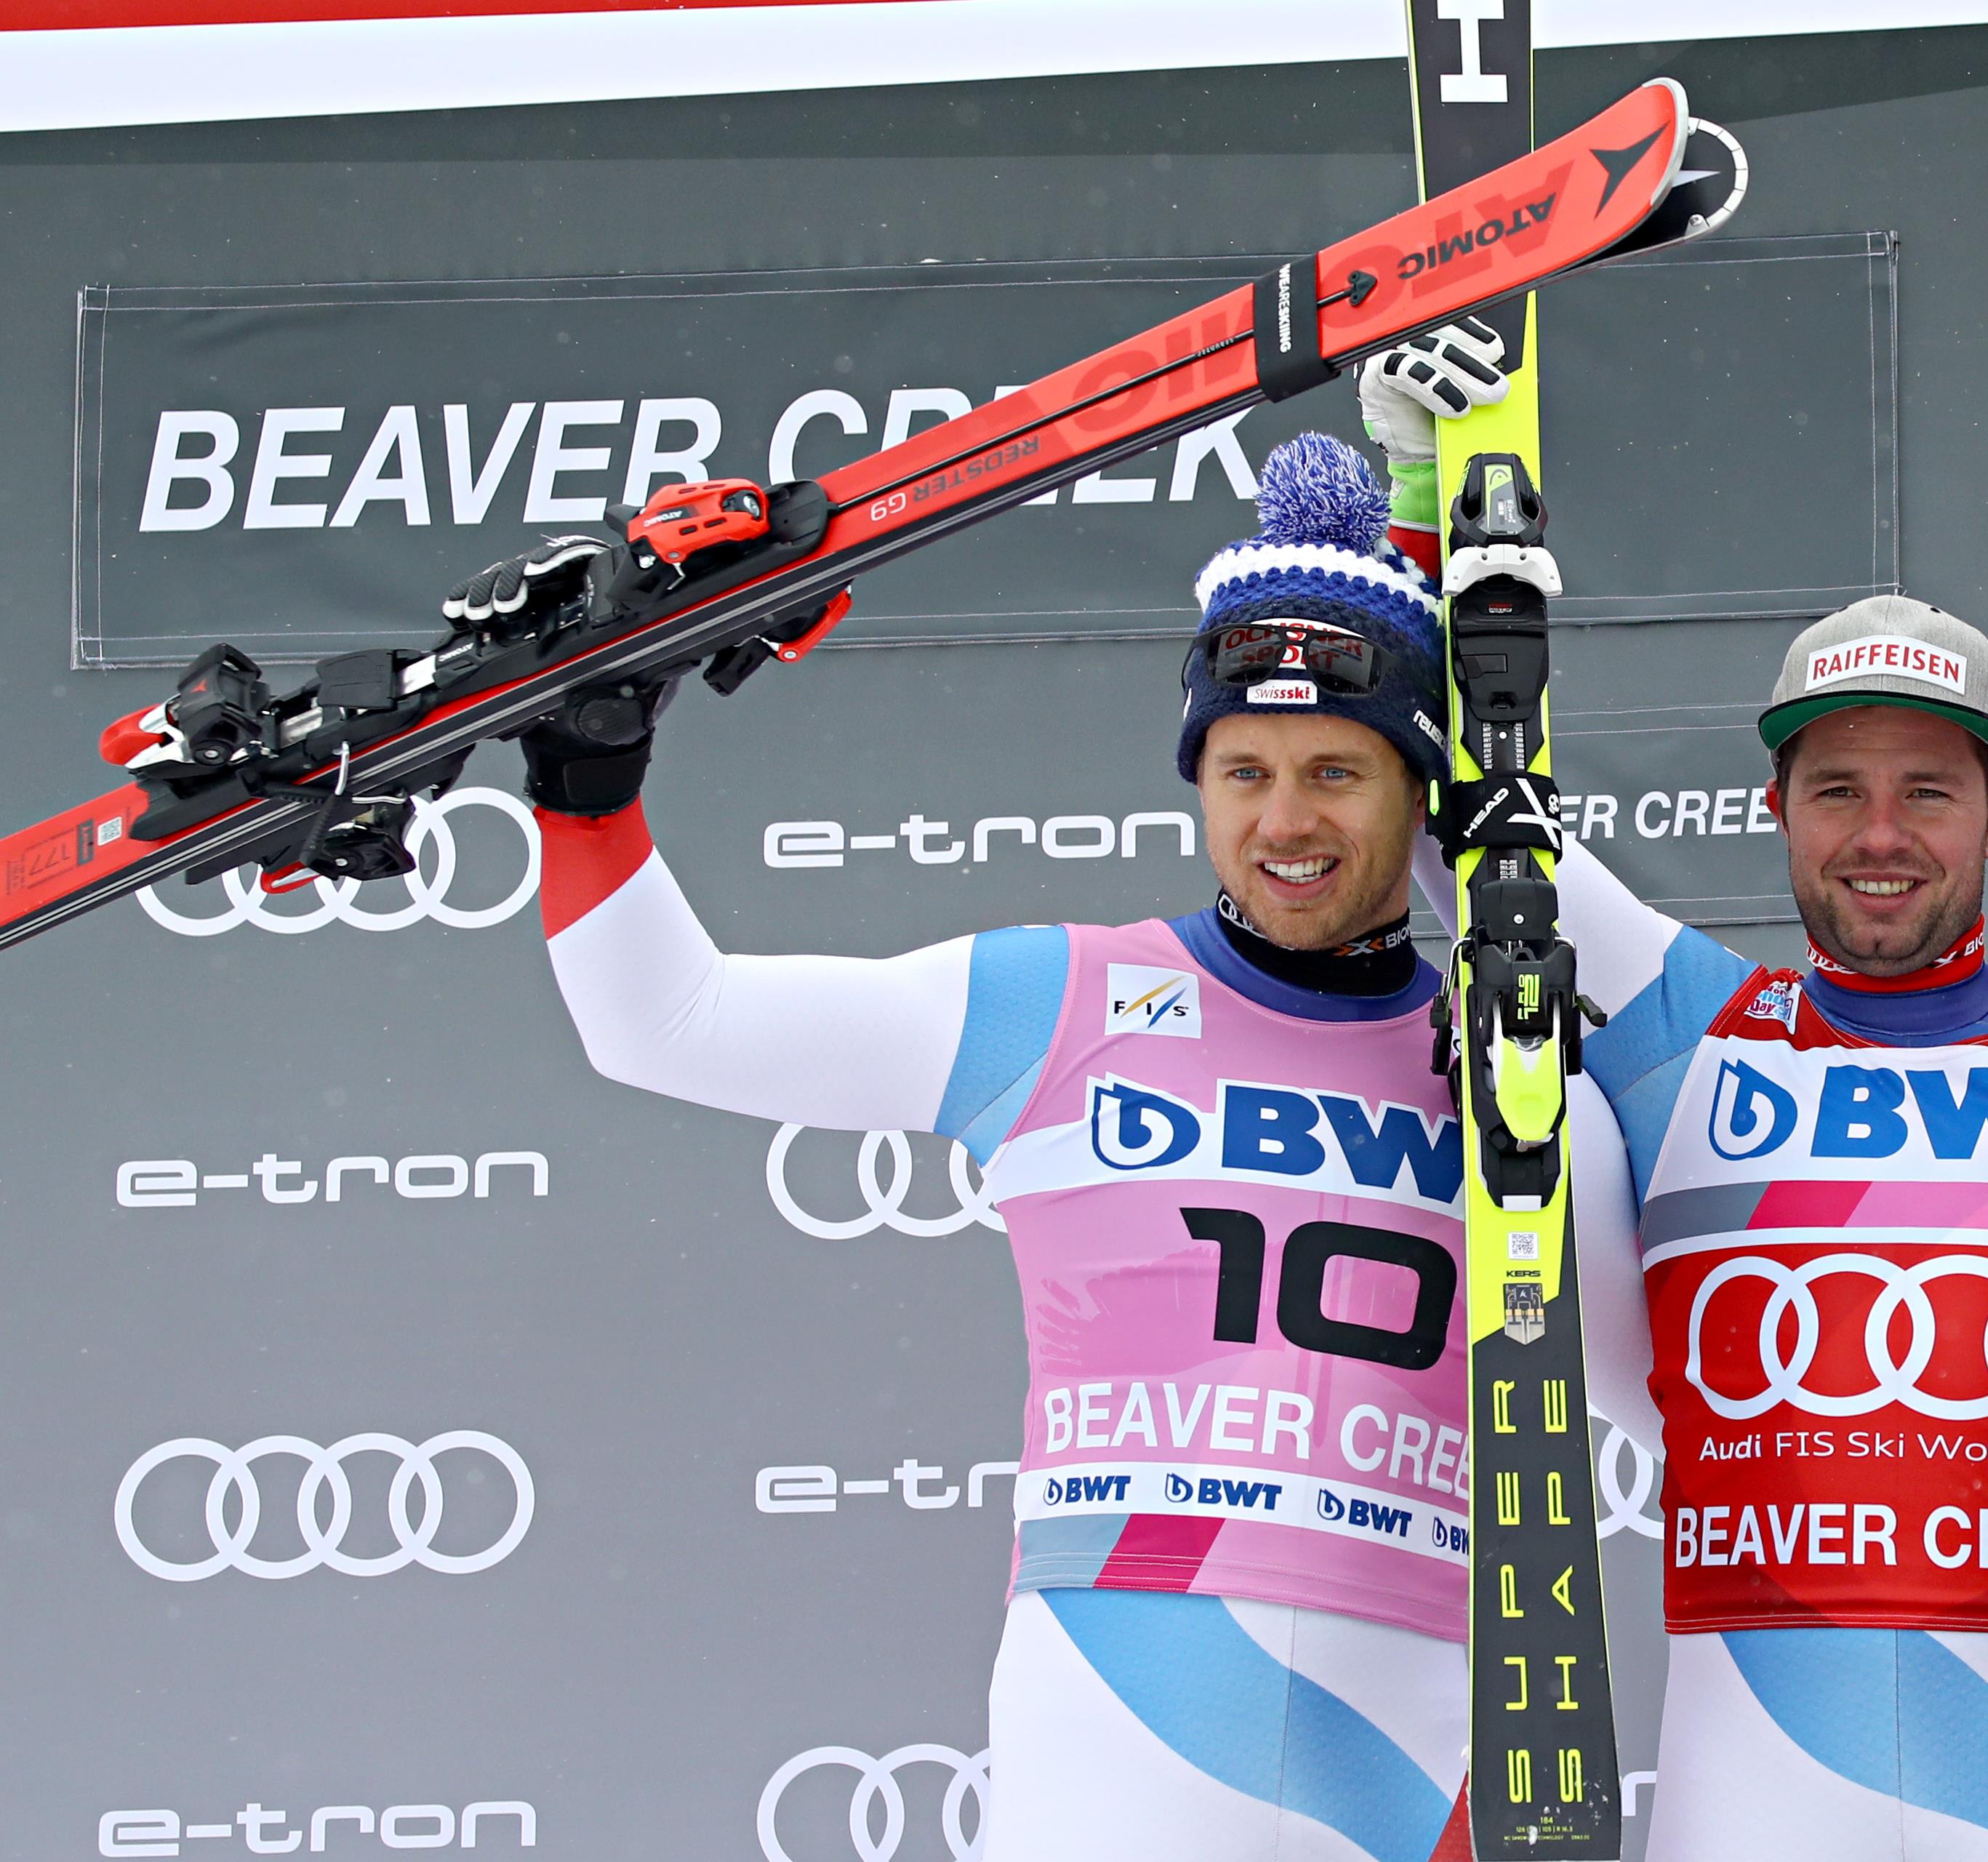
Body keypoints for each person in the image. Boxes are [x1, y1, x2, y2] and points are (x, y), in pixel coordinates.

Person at [484, 433, 1635, 1862]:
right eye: (1243, 771)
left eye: (1338, 772)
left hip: (1417, 1715)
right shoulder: (1060, 1001)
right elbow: (667, 1021)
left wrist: (1555, 1127)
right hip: (1119, 1705)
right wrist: (590, 790)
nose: (1285, 821)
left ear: (1419, 792)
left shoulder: (1521, 1071)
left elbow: (1655, 1410)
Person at [1366, 343, 1988, 1861]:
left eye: (1926, 792)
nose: (1879, 837)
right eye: (1836, 791)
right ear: (1774, 809)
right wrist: (1431, 520)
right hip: (1757, 1779)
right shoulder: (1693, 1024)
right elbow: (1458, 802)